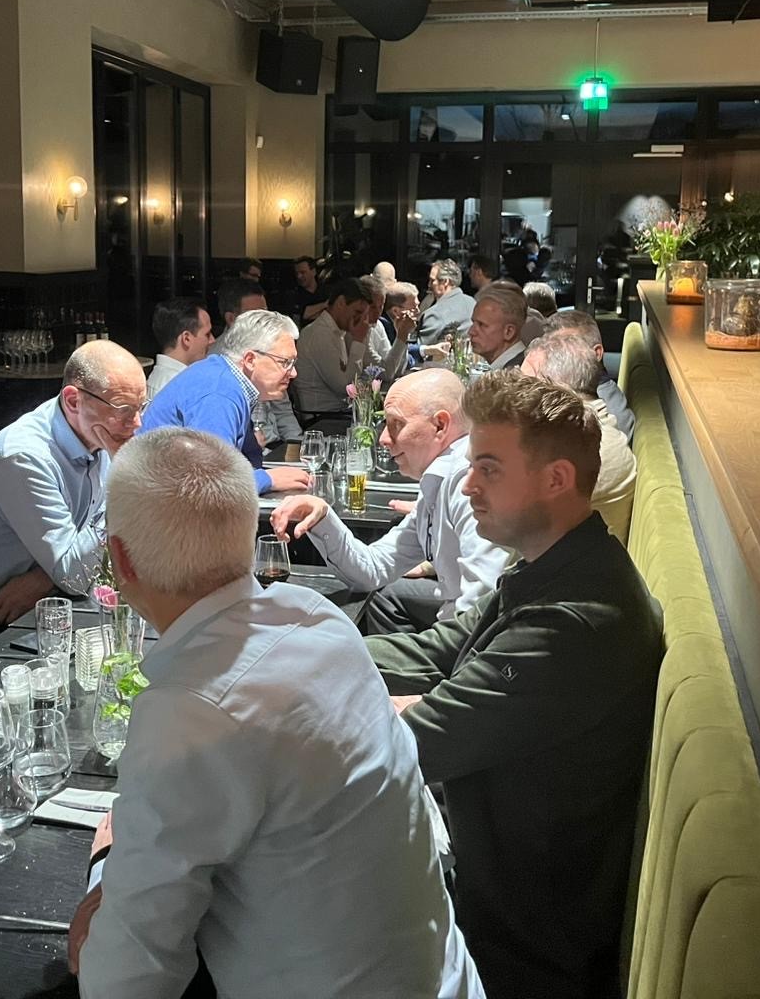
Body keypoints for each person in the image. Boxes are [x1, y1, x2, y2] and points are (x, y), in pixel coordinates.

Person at [69, 427, 482, 999]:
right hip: (449, 976)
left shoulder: (188, 711)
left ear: (121, 559)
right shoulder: (317, 616)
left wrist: (104, 869)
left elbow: (124, 980)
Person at [366, 373, 662, 997]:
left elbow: (412, 742)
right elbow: (436, 649)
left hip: (515, 939)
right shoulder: (555, 566)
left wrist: (290, 687)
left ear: (556, 479)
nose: (467, 485)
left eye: (489, 469)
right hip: (480, 863)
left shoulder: (575, 621)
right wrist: (307, 652)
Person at [0, 341, 146, 649]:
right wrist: (122, 480)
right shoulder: (24, 457)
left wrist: (44, 578)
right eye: (123, 409)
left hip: (49, 605)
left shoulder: (97, 434)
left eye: (141, 407)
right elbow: (75, 575)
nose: (137, 423)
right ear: (73, 400)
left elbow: (101, 554)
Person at [271, 371, 507, 634]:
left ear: (440, 426)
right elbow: (373, 568)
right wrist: (322, 517)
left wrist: (434, 653)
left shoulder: (467, 482)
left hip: (469, 641)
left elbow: (482, 608)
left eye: (396, 424)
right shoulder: (438, 479)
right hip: (459, 630)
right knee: (384, 600)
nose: (383, 438)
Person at [141, 309, 309, 495]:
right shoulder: (219, 393)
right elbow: (210, 481)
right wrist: (268, 479)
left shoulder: (224, 377)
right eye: (285, 362)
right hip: (155, 503)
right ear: (250, 360)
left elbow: (247, 458)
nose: (293, 373)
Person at [522, 333, 638, 541]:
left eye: (526, 385)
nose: (516, 393)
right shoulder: (599, 429)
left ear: (557, 390)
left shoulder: (581, 450)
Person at [213, 278, 300, 448]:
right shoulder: (221, 370)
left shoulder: (272, 349)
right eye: (256, 316)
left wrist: (298, 445)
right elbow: (222, 456)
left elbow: (283, 410)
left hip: (274, 447)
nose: (294, 373)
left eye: (266, 314)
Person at [291, 276, 377, 417]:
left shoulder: (337, 333)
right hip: (322, 418)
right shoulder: (319, 334)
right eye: (357, 312)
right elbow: (345, 387)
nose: (361, 320)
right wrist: (358, 341)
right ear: (341, 303)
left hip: (338, 413)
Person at [546, 310, 635, 441]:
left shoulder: (610, 417)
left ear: (596, 353)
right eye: (552, 351)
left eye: (567, 349)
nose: (554, 359)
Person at [146, 296, 214, 400]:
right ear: (186, 338)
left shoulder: (157, 380)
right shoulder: (182, 389)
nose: (212, 340)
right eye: (207, 334)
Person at [356, 273, 413, 383]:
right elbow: (385, 373)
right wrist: (402, 336)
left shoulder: (378, 326)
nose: (377, 313)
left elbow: (397, 369)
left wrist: (403, 335)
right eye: (373, 307)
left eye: (381, 306)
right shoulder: (355, 330)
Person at [468, 283, 527, 371]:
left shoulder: (516, 374)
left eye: (481, 325)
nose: (471, 332)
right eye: (473, 322)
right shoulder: (512, 367)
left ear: (509, 332)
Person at [417, 259, 475, 345]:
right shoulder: (473, 303)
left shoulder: (435, 314)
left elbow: (420, 348)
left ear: (445, 282)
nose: (429, 285)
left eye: (432, 280)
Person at [283, 254, 327, 325]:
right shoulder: (293, 295)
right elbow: (302, 315)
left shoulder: (326, 290)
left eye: (302, 272)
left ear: (313, 271)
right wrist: (325, 305)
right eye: (297, 273)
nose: (299, 276)